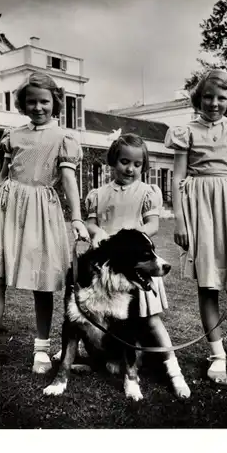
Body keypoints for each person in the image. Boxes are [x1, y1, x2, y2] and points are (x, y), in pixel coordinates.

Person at [0, 72, 89, 374]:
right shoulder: (14, 135)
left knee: (42, 282)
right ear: (23, 103)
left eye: (44, 101)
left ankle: (42, 350)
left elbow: (70, 181)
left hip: (43, 210)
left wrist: (76, 217)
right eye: (31, 101)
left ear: (55, 103)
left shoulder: (63, 138)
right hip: (8, 207)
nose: (38, 107)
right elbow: (2, 176)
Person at [165, 69, 227, 386]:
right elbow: (178, 178)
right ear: (198, 98)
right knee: (208, 286)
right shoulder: (186, 132)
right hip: (200, 213)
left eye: (221, 97)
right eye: (208, 96)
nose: (214, 103)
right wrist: (180, 219)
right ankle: (217, 355)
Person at [84, 133, 191, 399]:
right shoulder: (99, 194)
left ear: (144, 166)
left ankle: (173, 369)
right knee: (103, 319)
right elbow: (92, 222)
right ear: (113, 161)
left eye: (137, 164)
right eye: (124, 162)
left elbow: (153, 225)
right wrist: (97, 232)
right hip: (111, 272)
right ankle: (102, 356)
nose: (130, 169)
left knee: (150, 320)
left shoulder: (146, 193)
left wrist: (130, 239)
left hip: (139, 269)